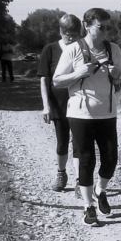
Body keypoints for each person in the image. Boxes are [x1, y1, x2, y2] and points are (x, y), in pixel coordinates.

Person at [53, 8, 121, 226]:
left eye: (108, 27)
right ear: (86, 25)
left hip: (107, 113)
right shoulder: (73, 49)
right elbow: (57, 81)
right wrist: (79, 73)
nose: (105, 32)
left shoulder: (114, 50)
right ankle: (88, 207)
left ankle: (100, 190)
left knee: (111, 158)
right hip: (80, 114)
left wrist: (116, 74)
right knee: (86, 160)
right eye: (100, 27)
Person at [37, 14, 82, 192]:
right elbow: (43, 79)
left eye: (75, 35)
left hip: (79, 105)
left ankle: (80, 181)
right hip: (58, 103)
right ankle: (61, 173)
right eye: (67, 34)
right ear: (60, 32)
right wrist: (46, 105)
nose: (71, 38)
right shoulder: (50, 49)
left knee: (79, 143)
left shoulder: (82, 49)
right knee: (62, 141)